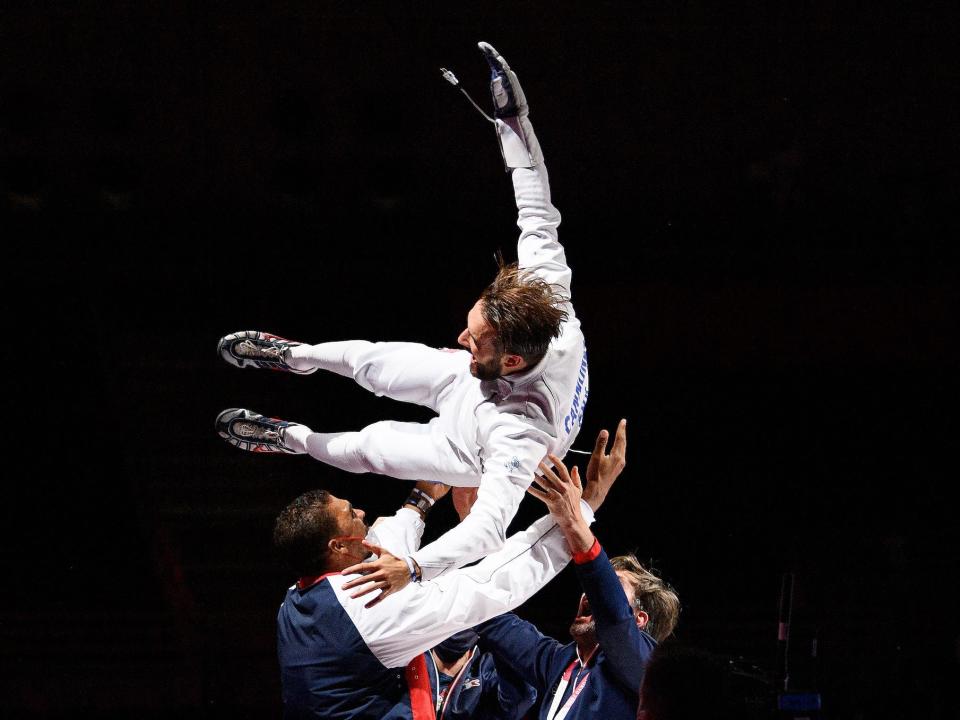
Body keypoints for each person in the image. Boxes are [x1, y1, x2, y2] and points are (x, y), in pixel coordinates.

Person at [215, 42, 588, 598]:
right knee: (374, 360)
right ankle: (293, 356)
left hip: (475, 442)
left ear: (510, 357)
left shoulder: (518, 438)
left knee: (372, 446)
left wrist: (414, 569)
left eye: (474, 339)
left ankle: (290, 438)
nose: (461, 339)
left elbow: (488, 530)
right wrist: (513, 120)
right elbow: (536, 207)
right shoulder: (545, 295)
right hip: (486, 389)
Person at [274, 422, 624, 719]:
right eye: (349, 513)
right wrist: (581, 510)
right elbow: (493, 582)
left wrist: (423, 496)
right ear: (338, 547)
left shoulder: (301, 598)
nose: (362, 513)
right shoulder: (366, 608)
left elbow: (382, 547)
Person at [474, 423, 680, 720]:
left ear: (639, 619)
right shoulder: (560, 661)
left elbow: (613, 616)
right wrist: (474, 523)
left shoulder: (644, 664)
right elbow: (487, 612)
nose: (589, 593)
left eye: (616, 584)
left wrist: (576, 522)